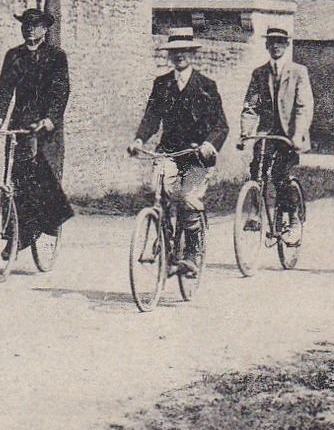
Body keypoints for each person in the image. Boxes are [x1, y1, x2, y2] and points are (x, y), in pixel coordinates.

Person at [127, 27, 229, 278]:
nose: (179, 55)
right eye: (175, 51)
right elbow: (152, 117)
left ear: (192, 54)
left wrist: (209, 144)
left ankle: (192, 253)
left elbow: (220, 125)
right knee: (158, 190)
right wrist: (139, 139)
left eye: (184, 51)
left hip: (196, 156)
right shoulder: (161, 84)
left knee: (188, 198)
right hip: (169, 152)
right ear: (169, 55)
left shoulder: (206, 86)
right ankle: (165, 242)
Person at [0, 8, 74, 256]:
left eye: (36, 25)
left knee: (42, 175)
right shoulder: (13, 56)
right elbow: (4, 89)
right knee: (14, 176)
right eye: (26, 25)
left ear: (45, 29)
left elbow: (61, 91)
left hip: (47, 127)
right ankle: (15, 233)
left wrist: (50, 118)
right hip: (21, 122)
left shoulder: (57, 56)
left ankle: (35, 228)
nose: (30, 29)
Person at [238, 25, 314, 235]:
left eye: (280, 42)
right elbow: (250, 106)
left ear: (286, 45)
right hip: (267, 133)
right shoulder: (259, 73)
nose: (275, 46)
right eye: (271, 42)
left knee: (281, 176)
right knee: (257, 169)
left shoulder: (299, 72)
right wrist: (245, 133)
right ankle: (255, 212)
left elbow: (303, 106)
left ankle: (293, 217)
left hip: (290, 136)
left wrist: (298, 134)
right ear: (266, 45)